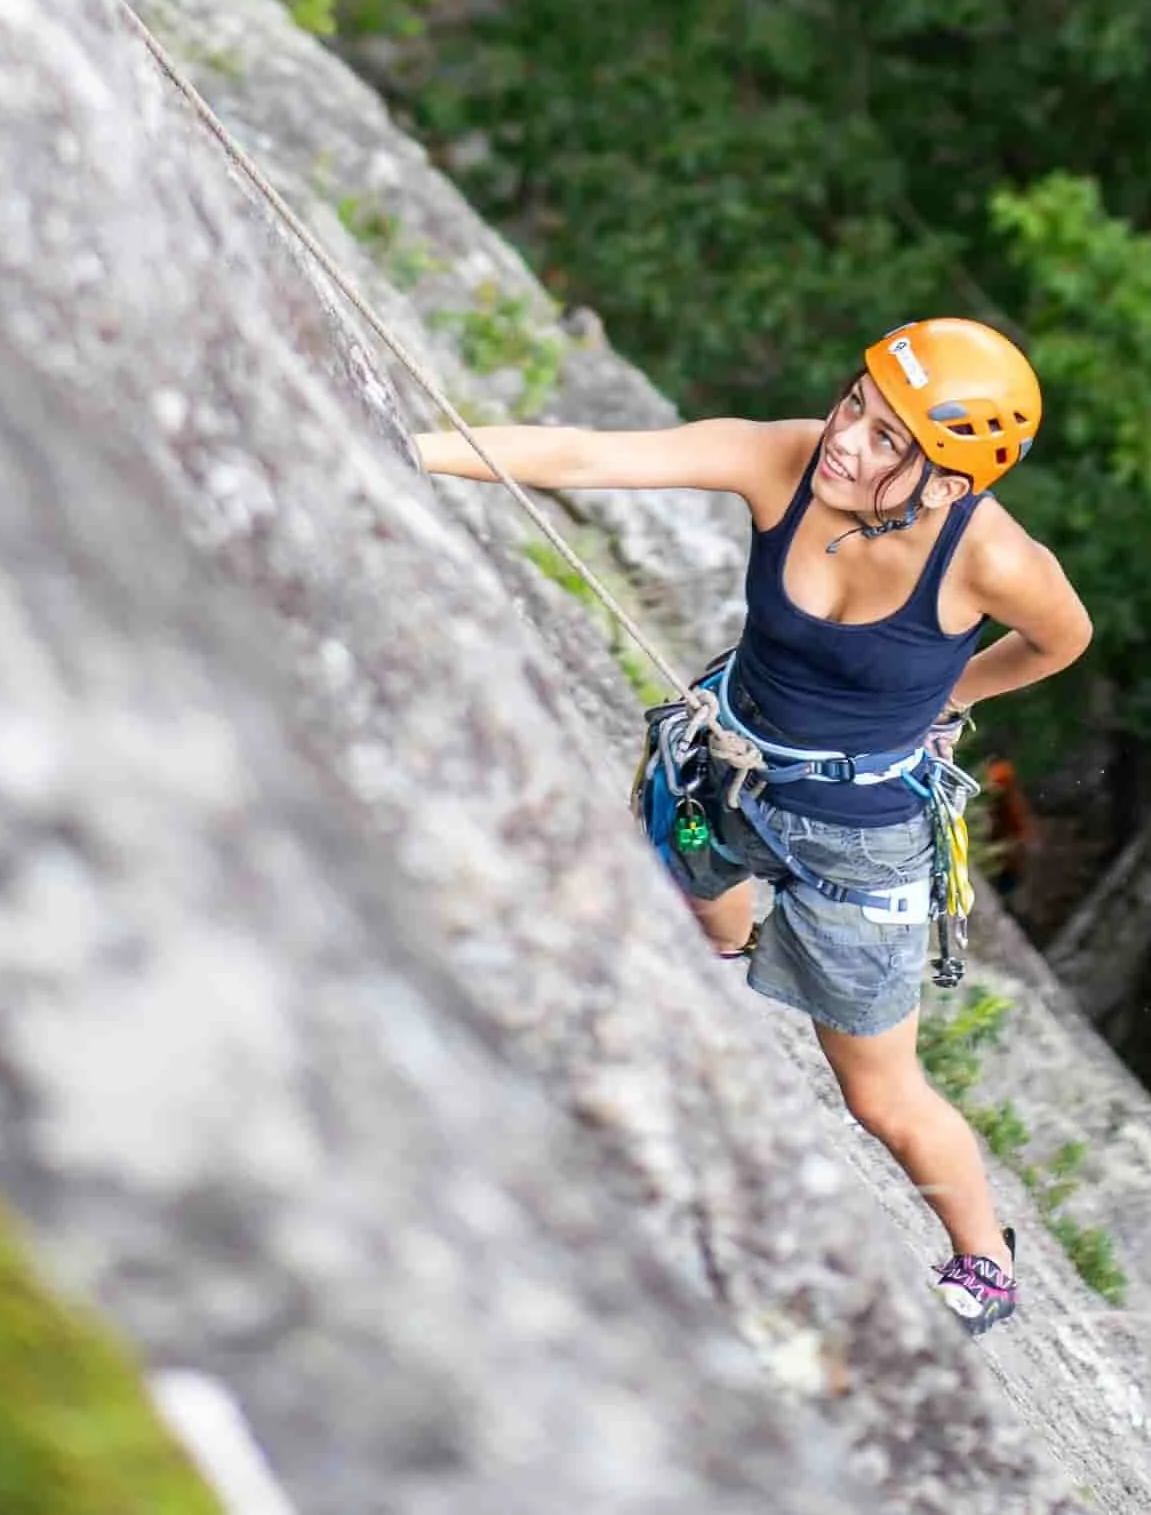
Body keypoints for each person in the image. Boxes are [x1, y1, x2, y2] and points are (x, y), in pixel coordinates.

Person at [415, 316, 1090, 1336]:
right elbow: (584, 455)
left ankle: (986, 1260)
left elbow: (1060, 637)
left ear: (949, 484)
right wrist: (407, 449)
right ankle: (724, 949)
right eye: (853, 407)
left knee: (880, 1095)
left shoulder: (989, 559)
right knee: (691, 916)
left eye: (885, 443)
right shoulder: (782, 459)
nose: (845, 444)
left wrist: (953, 695)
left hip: (859, 836)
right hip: (720, 773)